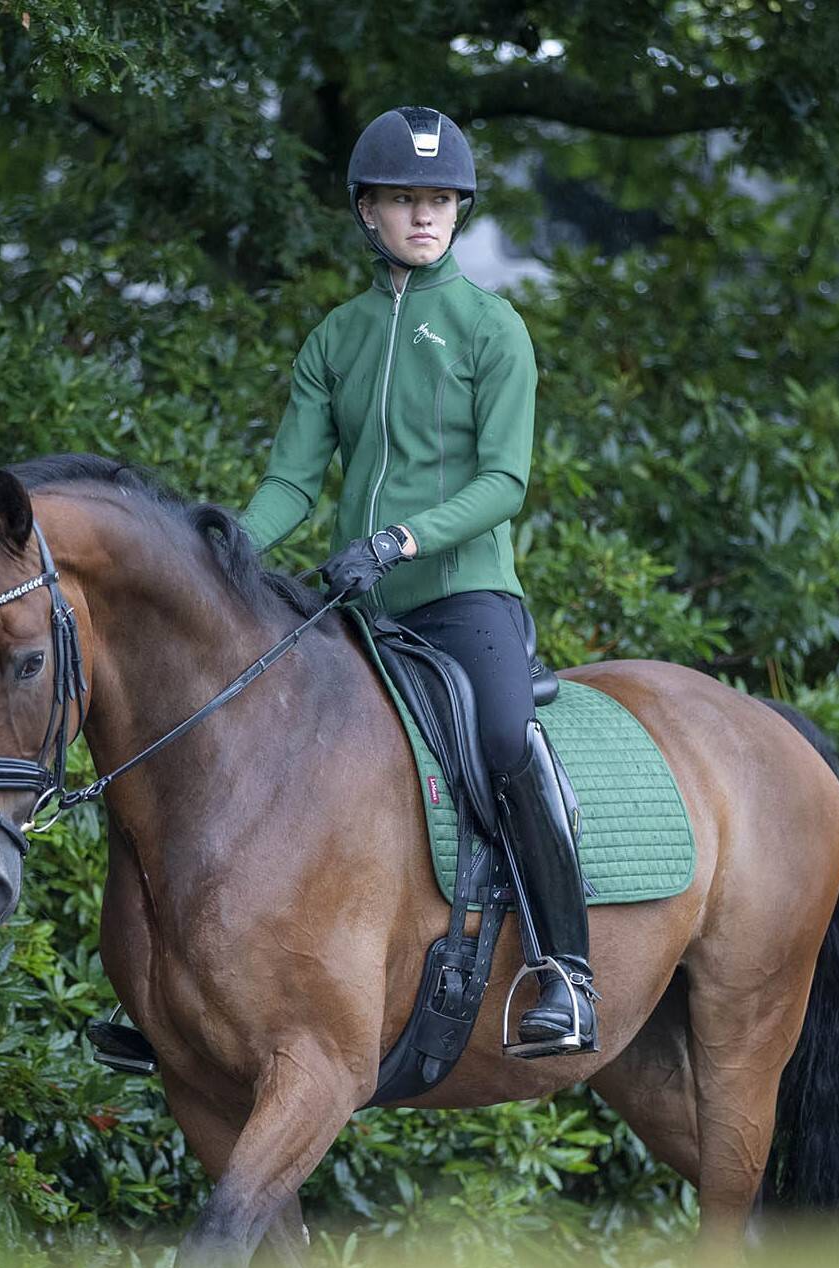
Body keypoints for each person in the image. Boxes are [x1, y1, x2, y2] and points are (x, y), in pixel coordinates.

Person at [239, 106, 598, 1053]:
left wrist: (399, 541)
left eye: (439, 199)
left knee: (503, 737)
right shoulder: (335, 338)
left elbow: (503, 483)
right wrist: (225, 549)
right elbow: (290, 481)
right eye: (405, 199)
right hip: (357, 605)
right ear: (367, 211)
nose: (425, 215)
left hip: (461, 596)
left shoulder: (492, 328)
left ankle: (567, 971)